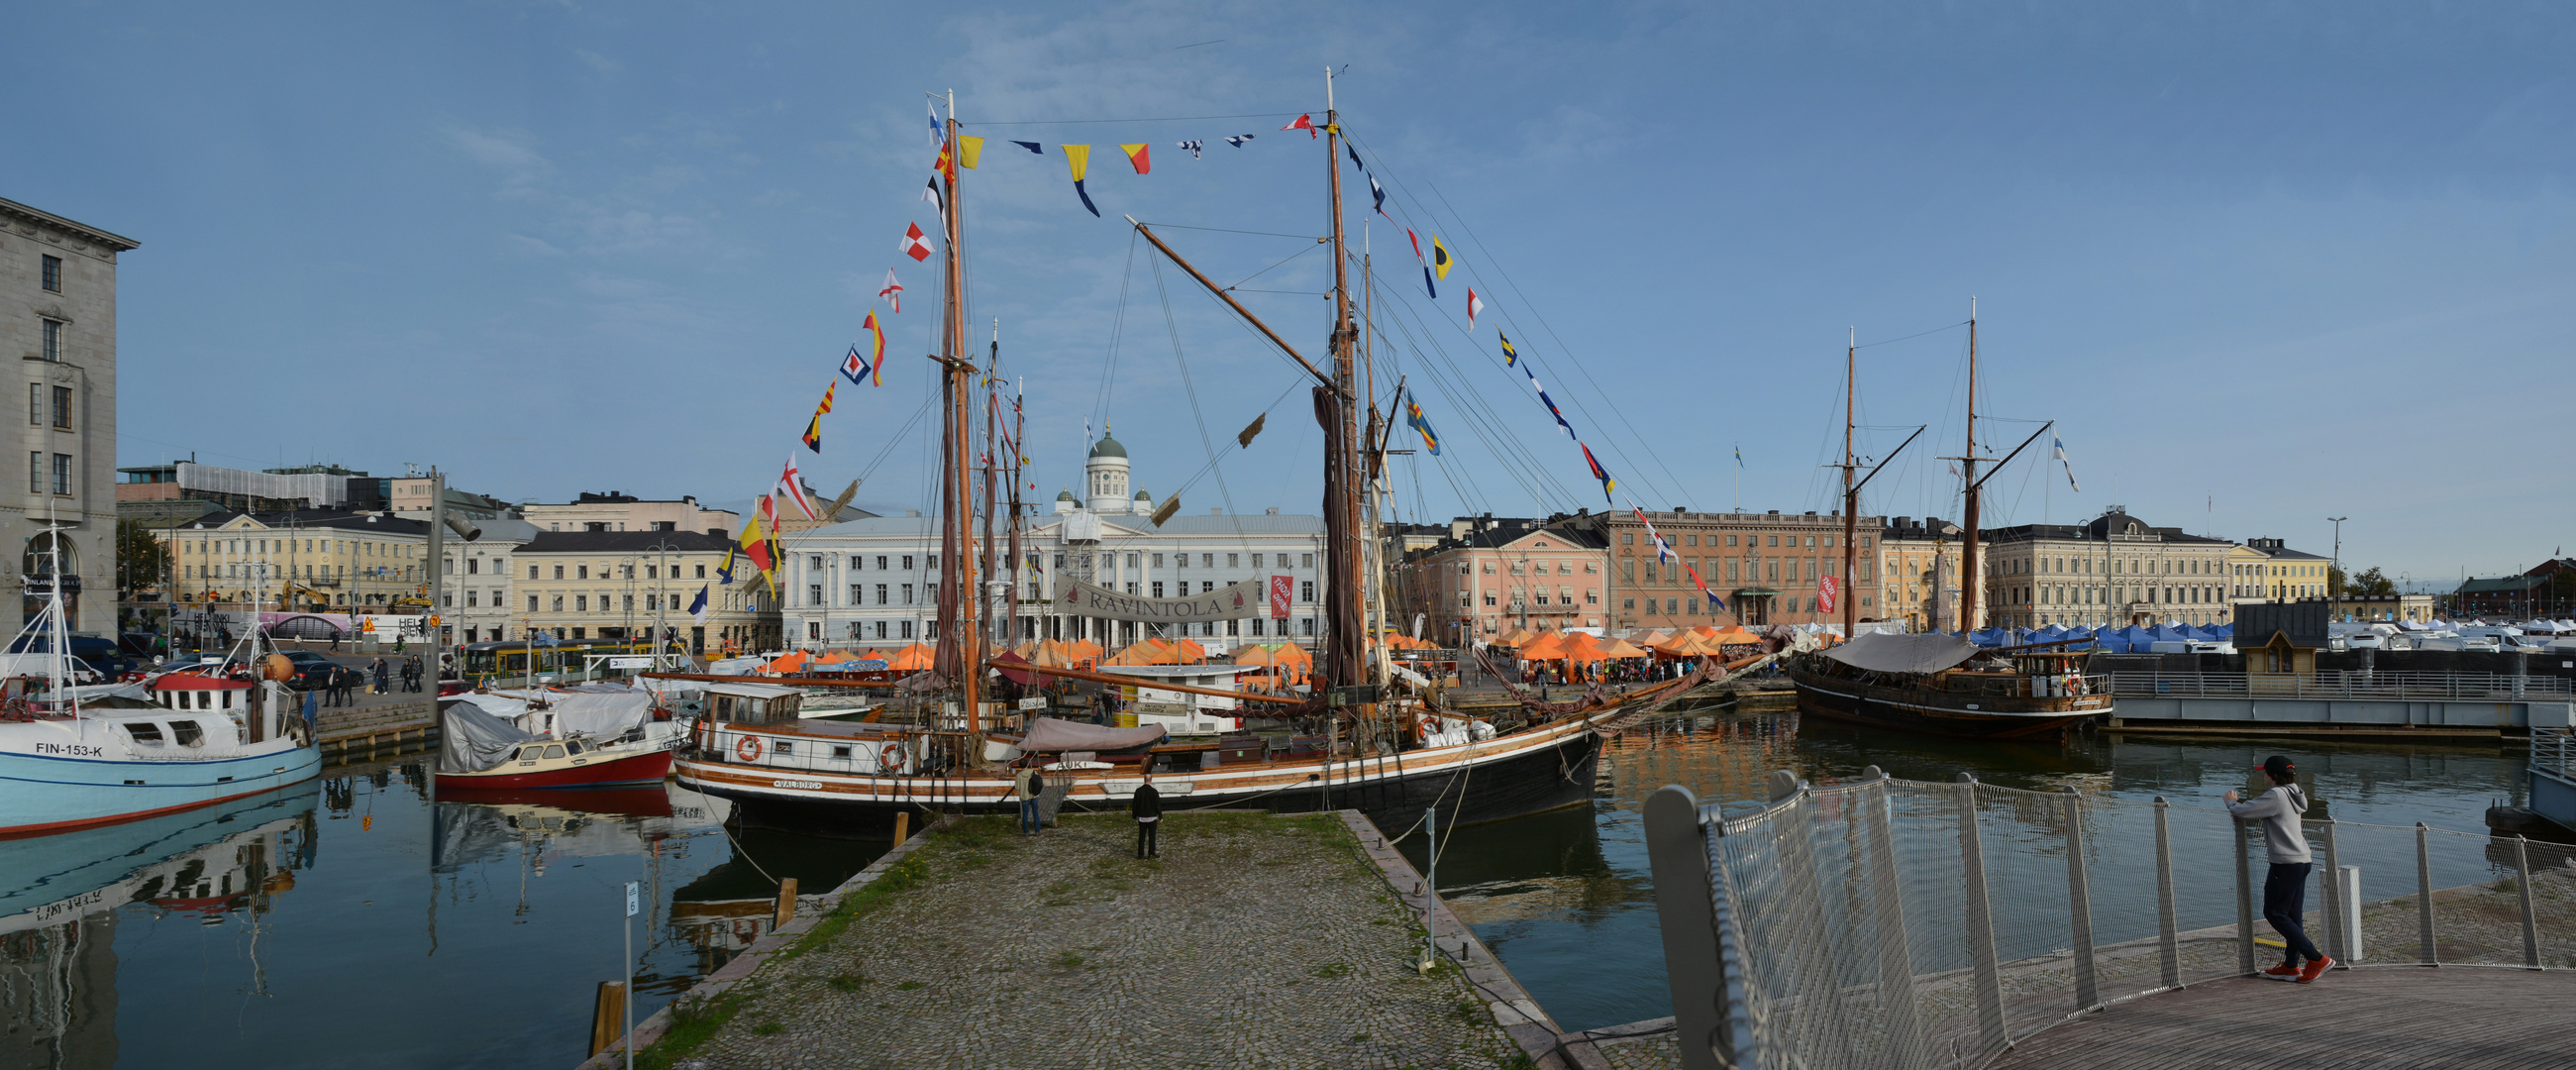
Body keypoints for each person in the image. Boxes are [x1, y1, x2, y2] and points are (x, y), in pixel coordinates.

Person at [2226, 755, 2332, 983]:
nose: (2263, 776)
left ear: (2273, 775)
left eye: (2265, 772)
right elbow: (2264, 814)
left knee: (2274, 913)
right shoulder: (2295, 793)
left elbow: (2246, 810)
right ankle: (2291, 966)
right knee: (2292, 916)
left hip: (2285, 863)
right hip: (2302, 860)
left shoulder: (2276, 795)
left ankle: (2316, 958)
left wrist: (2231, 803)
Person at [1131, 770, 1162, 859]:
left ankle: (1140, 854)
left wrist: (1134, 815)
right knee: (1152, 836)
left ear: (1144, 779)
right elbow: (1157, 805)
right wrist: (1160, 816)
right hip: (1152, 817)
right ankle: (1151, 853)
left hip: (1142, 817)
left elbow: (1135, 804)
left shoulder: (1138, 791)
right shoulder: (1154, 792)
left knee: (1142, 836)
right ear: (1151, 780)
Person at [1015, 760, 1043, 835]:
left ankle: (1026, 832)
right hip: (1034, 795)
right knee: (1035, 813)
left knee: (1025, 814)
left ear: (1020, 766)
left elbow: (1017, 787)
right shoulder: (1033, 772)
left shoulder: (1019, 775)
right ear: (1027, 764)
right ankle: (1037, 831)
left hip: (1025, 796)